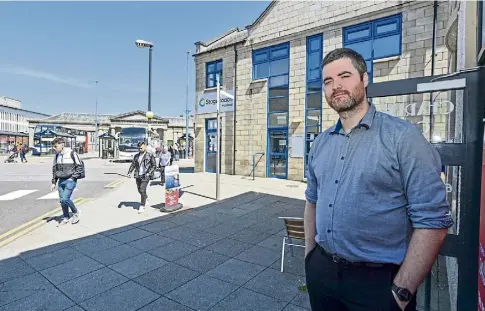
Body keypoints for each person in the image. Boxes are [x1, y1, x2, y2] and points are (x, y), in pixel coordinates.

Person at [304, 48, 453, 311]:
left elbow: (433, 221)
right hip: (323, 274)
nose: (335, 85)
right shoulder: (320, 143)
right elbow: (312, 201)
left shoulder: (403, 138)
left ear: (364, 79)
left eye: (345, 75)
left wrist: (401, 292)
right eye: (328, 81)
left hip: (379, 285)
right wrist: (310, 256)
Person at [51, 137, 83, 225]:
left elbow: (79, 167)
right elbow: (55, 170)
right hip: (61, 180)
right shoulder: (57, 156)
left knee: (65, 199)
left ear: (62, 144)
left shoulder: (72, 153)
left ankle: (76, 212)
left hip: (70, 180)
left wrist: (72, 178)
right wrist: (54, 182)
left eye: (55, 146)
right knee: (62, 200)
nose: (54, 148)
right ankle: (66, 217)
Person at [127, 141, 156, 214]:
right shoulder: (136, 156)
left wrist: (149, 173)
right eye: (139, 148)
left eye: (141, 148)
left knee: (142, 189)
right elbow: (133, 164)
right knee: (139, 190)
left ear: (145, 147)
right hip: (138, 175)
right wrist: (129, 172)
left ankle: (142, 206)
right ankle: (145, 198)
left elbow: (154, 165)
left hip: (146, 175)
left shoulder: (150, 155)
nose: (140, 149)